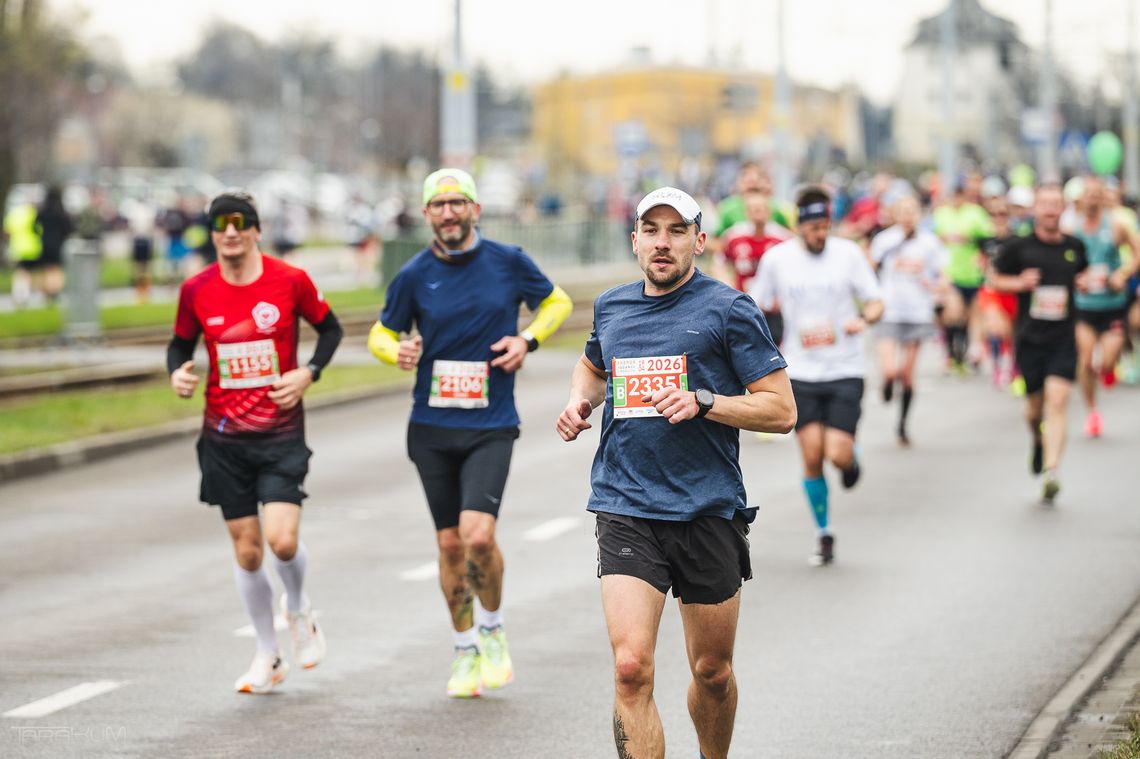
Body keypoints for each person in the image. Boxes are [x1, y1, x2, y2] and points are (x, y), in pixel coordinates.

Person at [556, 186, 795, 759]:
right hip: (625, 503)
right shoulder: (612, 306)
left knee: (712, 671)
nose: (663, 244)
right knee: (630, 667)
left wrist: (706, 402)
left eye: (677, 231)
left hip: (706, 507)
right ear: (635, 239)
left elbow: (782, 410)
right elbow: (592, 366)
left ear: (699, 240)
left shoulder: (729, 309)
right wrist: (579, 403)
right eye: (652, 231)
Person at [368, 168, 572, 699]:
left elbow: (558, 303)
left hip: (490, 423)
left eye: (459, 202)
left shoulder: (508, 262)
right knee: (449, 542)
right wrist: (397, 351)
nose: (450, 212)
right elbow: (381, 333)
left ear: (476, 210)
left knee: (478, 535)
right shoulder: (413, 275)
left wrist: (527, 340)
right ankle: (464, 651)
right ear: (428, 214)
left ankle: (493, 628)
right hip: (432, 427)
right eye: (439, 205)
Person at [167, 189, 343, 693]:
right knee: (247, 553)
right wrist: (177, 372)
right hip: (222, 438)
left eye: (240, 222)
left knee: (281, 541)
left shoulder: (289, 281)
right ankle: (267, 653)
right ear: (212, 231)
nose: (230, 231)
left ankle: (301, 609)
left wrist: (308, 373)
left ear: (256, 230)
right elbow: (180, 342)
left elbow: (329, 331)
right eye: (220, 223)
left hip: (281, 433)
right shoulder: (197, 289)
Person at [750, 186, 883, 565]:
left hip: (845, 367)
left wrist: (865, 318)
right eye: (813, 228)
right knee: (812, 456)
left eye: (826, 226)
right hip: (800, 370)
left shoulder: (849, 255)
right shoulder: (778, 259)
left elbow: (875, 300)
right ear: (798, 225)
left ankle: (850, 461)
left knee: (836, 454)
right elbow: (756, 305)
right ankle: (823, 532)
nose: (820, 234)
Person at [990, 183, 1088, 505]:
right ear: (1035, 209)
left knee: (1057, 403)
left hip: (1062, 338)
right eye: (1044, 204)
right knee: (1034, 411)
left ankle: (1051, 472)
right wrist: (1018, 282)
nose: (1049, 209)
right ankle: (1037, 438)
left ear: (1062, 209)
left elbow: (1083, 277)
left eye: (1055, 203)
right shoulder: (1019, 248)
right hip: (1030, 339)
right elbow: (994, 278)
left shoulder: (1074, 246)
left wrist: (1086, 282)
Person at [869, 195, 947, 446]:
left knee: (908, 375)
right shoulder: (885, 240)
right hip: (890, 310)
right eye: (902, 211)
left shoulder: (929, 243)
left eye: (912, 211)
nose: (907, 216)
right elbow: (869, 269)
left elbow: (943, 276)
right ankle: (887, 384)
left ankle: (902, 425)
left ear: (919, 214)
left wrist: (935, 286)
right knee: (891, 370)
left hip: (918, 312)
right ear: (894, 214)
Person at [1066, 177, 1139, 436]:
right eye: (1089, 195)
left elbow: (1137, 251)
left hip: (1112, 305)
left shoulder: (1116, 225)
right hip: (1084, 306)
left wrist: (1123, 273)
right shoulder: (1072, 229)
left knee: (1106, 362)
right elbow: (1064, 263)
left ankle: (1109, 369)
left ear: (1104, 198)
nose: (1093, 199)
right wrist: (1074, 278)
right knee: (1085, 360)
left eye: (1098, 195)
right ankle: (1092, 411)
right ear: (1081, 198)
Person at [933, 179, 993, 372]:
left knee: (973, 314)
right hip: (950, 273)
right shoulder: (941, 214)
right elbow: (932, 238)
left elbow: (988, 237)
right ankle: (952, 350)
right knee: (954, 313)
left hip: (973, 272)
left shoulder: (975, 213)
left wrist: (971, 240)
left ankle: (971, 348)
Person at [34, 185, 73, 305]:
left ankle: (46, 292)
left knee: (46, 269)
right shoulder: (61, 212)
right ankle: (54, 291)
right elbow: (69, 229)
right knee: (55, 269)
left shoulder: (43, 211)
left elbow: (34, 226)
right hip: (57, 244)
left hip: (44, 243)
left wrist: (41, 235)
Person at [3, 199, 43, 308]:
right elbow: (40, 230)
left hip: (18, 248)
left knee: (20, 271)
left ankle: (19, 294)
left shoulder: (14, 214)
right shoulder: (34, 214)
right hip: (33, 247)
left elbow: (7, 231)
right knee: (32, 272)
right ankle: (31, 294)